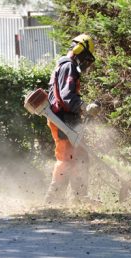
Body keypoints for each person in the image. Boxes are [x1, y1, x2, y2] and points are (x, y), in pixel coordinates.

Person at [45, 34, 100, 205]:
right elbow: (66, 96)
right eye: (85, 58)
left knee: (80, 156)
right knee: (66, 158)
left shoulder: (64, 65)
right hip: (62, 119)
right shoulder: (68, 66)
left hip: (64, 118)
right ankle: (53, 198)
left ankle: (79, 196)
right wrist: (85, 107)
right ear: (78, 51)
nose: (86, 62)